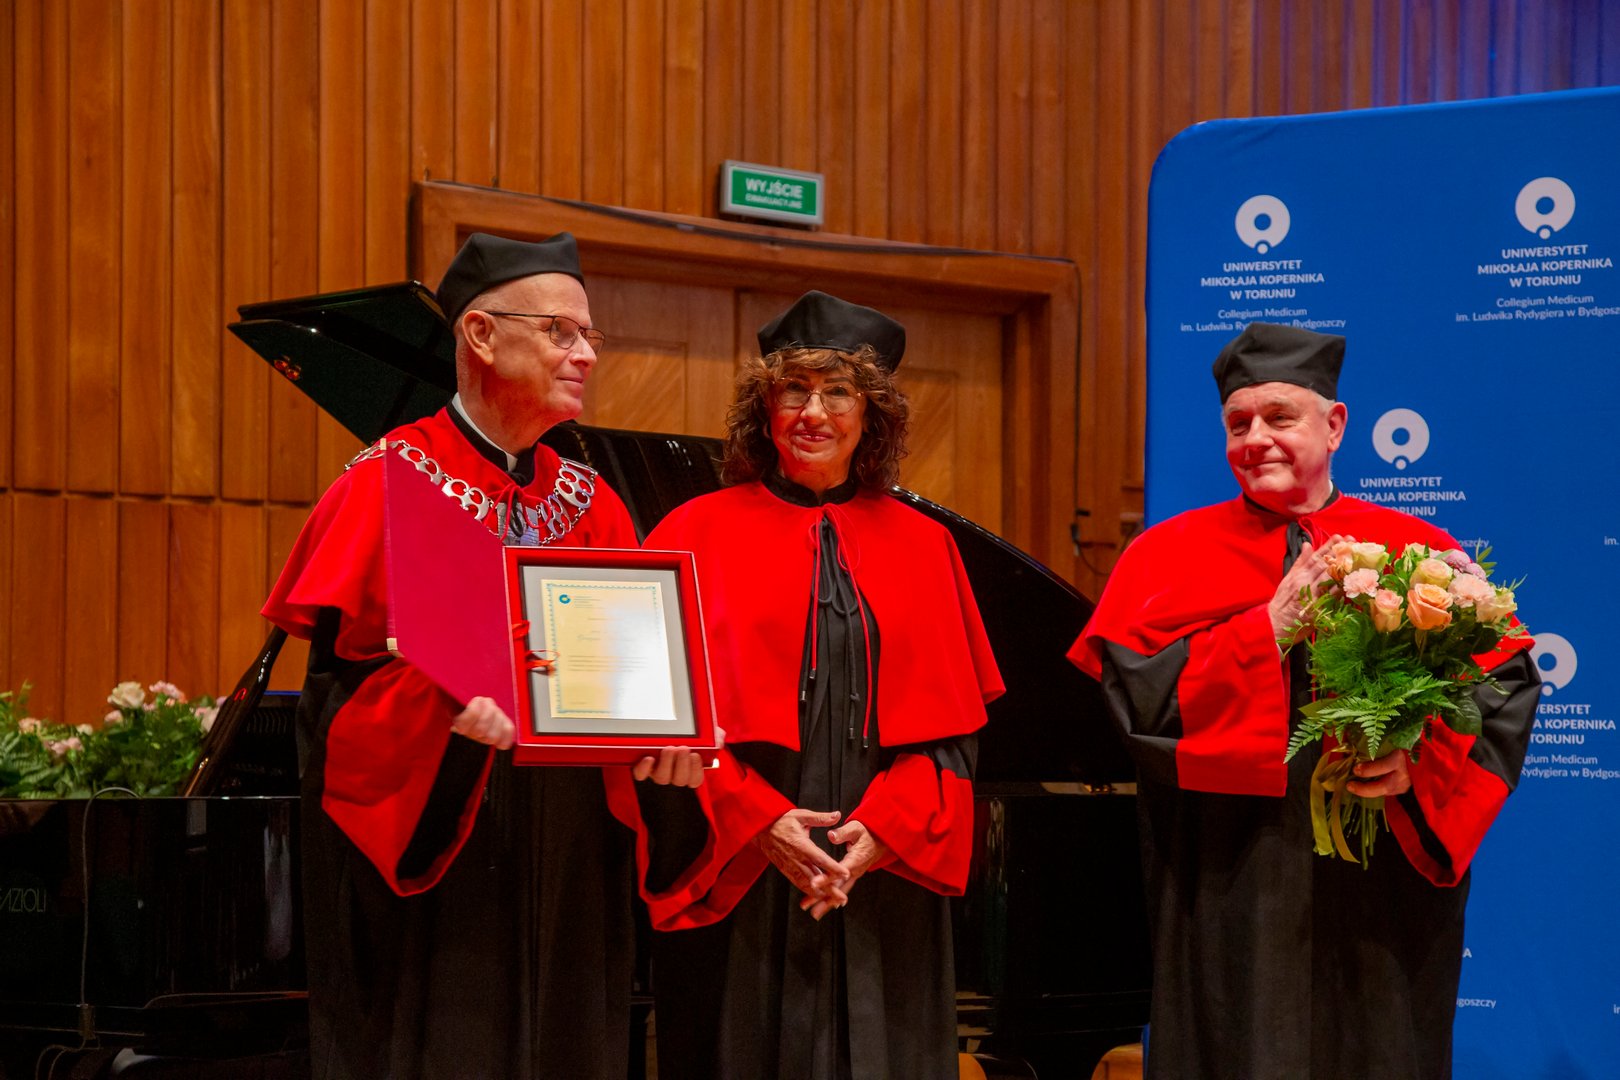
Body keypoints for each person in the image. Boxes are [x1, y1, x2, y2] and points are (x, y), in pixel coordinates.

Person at [263, 232, 706, 1080]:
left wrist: (664, 745)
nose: (585, 355)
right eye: (560, 332)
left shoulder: (595, 503)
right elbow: (337, 706)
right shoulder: (388, 482)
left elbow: (630, 680)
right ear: (480, 334)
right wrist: (442, 717)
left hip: (569, 853)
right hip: (445, 856)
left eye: (589, 336)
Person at [1067, 322, 1540, 1080]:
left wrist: (1417, 764)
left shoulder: (1417, 549)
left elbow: (1500, 693)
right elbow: (1137, 707)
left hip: (1382, 879)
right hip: (1231, 871)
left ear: (1335, 424)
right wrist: (1266, 629)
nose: (1256, 439)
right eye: (1238, 423)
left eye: (1279, 417)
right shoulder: (1166, 556)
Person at [612, 292, 1003, 1079]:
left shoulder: (927, 546)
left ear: (873, 414)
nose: (812, 413)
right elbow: (650, 723)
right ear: (764, 408)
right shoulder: (692, 532)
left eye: (838, 392)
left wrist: (883, 833)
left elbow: (954, 736)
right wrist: (760, 821)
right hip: (739, 865)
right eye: (794, 390)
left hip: (880, 876)